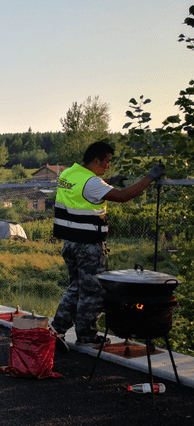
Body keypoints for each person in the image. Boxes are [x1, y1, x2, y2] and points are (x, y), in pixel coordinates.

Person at [50, 140, 165, 350]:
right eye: (107, 162)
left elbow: (87, 185)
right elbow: (123, 196)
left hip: (70, 243)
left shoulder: (69, 174)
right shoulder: (92, 183)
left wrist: (110, 180)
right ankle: (87, 335)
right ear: (96, 160)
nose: (108, 166)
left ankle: (56, 330)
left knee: (75, 287)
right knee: (92, 291)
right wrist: (150, 177)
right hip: (89, 246)